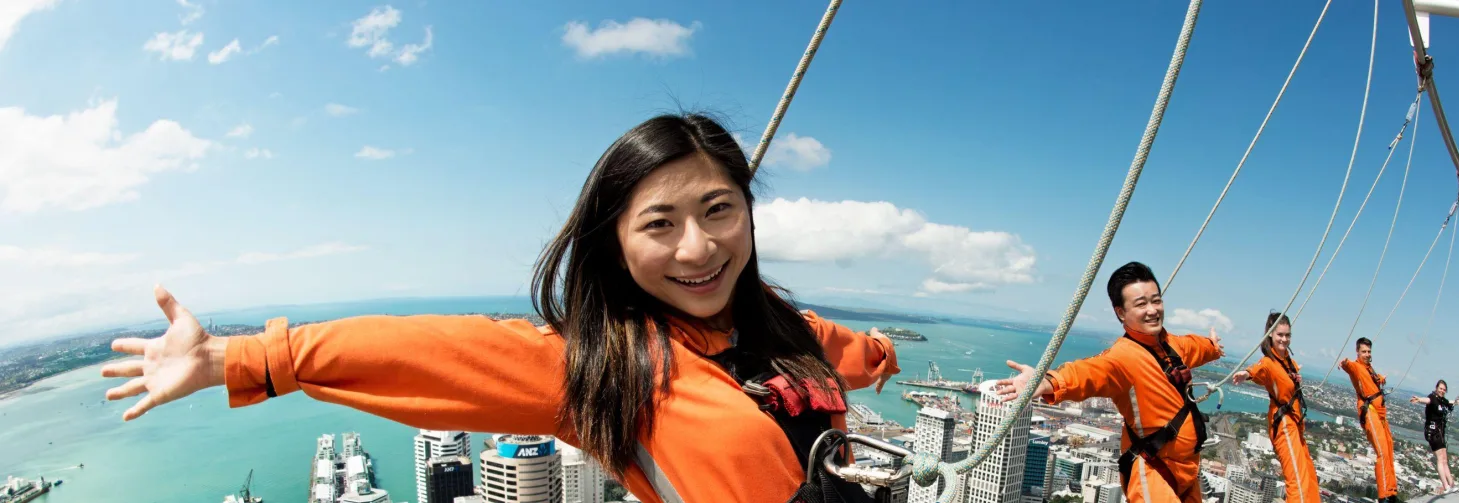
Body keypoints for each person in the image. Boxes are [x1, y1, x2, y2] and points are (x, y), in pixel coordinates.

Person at [99, 114, 903, 503]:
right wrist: (236, 358)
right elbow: (425, 351)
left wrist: (880, 353)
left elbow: (841, 349)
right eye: (660, 224)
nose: (698, 247)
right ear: (616, 246)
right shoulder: (606, 366)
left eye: (719, 209)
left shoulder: (777, 321)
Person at [992, 261, 1224, 503]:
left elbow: (1198, 347)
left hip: (1188, 470)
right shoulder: (1123, 358)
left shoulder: (1173, 345)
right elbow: (1087, 373)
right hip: (1153, 470)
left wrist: (1213, 347)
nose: (1152, 310)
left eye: (1156, 301)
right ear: (1121, 313)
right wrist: (1047, 382)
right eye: (1141, 304)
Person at [1230, 312, 1319, 503]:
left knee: (1309, 476)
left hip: (1295, 423)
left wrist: (1295, 377)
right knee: (1297, 479)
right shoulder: (1269, 362)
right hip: (1284, 423)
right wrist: (1246, 374)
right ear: (1270, 334)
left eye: (1287, 335)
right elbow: (1259, 370)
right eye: (1280, 334)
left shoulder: (1288, 361)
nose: (1284, 339)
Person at [1339, 337, 1400, 503]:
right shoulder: (1357, 367)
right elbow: (1350, 367)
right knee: (1382, 451)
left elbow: (1372, 379)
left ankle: (1391, 491)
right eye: (1364, 351)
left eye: (1369, 351)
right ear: (1357, 352)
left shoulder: (1369, 368)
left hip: (1380, 412)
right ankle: (1384, 496)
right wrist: (1344, 363)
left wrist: (1381, 379)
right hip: (1370, 410)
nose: (1367, 354)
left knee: (1388, 449)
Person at [1409, 380, 1459, 494]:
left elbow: (1449, 403)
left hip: (1440, 432)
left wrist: (1456, 402)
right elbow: (1427, 400)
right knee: (1440, 459)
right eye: (1440, 388)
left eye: (1444, 389)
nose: (1442, 391)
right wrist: (1419, 399)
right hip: (1432, 432)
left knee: (1444, 459)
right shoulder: (1432, 398)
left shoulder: (1442, 400)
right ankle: (1446, 486)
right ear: (1436, 388)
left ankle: (1452, 484)